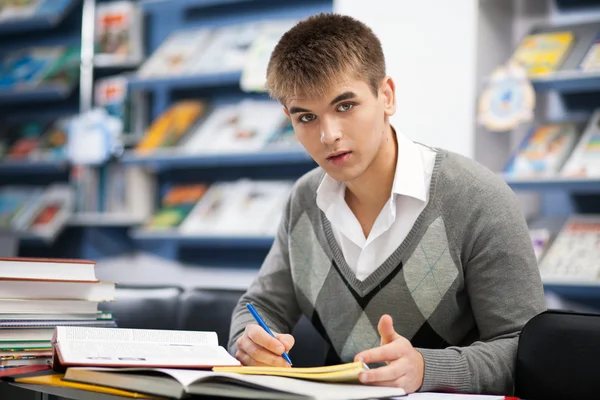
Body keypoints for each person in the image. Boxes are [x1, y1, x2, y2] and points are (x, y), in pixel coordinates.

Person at [228, 13, 546, 395]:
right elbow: (259, 305)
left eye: (345, 106)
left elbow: (526, 350)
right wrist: (248, 342)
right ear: (289, 119)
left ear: (387, 96)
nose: (329, 135)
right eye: (307, 117)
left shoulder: (479, 198)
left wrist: (426, 369)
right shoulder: (304, 200)